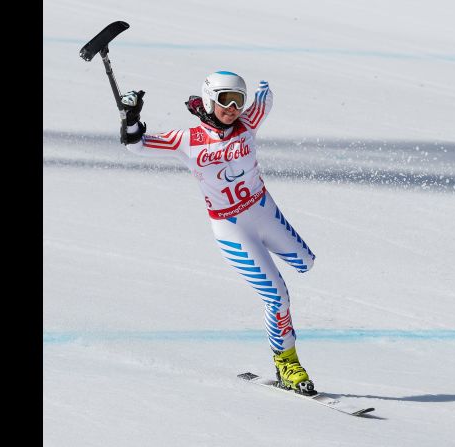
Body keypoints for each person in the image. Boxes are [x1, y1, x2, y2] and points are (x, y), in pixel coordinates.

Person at [119, 71, 316, 395]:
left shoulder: (248, 123)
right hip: (232, 228)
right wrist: (131, 118)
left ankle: (286, 355)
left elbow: (263, 103)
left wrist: (266, 86)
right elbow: (137, 146)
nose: (234, 107)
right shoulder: (189, 140)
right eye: (226, 99)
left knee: (306, 264)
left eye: (238, 99)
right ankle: (287, 364)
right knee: (278, 297)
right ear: (210, 100)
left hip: (263, 212)